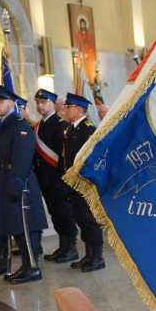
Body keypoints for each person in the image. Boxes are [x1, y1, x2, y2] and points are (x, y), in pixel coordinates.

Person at [0, 84, 48, 284]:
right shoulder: (3, 125)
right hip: (6, 178)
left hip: (20, 182)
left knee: (25, 225)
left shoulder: (20, 126)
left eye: (0, 101)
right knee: (16, 226)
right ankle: (25, 265)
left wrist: (15, 184)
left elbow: (22, 158)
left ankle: (32, 266)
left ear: (12, 103)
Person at [32, 88, 78, 263]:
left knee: (65, 213)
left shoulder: (61, 125)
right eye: (37, 103)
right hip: (44, 178)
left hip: (59, 179)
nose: (40, 106)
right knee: (55, 214)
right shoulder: (38, 126)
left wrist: (64, 179)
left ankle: (71, 247)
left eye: (44, 102)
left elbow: (65, 156)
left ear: (53, 104)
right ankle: (62, 246)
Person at [61, 93, 105, 272]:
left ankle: (97, 257)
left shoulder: (88, 130)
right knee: (81, 220)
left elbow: (91, 160)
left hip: (84, 184)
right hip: (73, 184)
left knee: (90, 220)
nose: (65, 110)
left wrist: (84, 183)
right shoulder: (71, 129)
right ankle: (88, 254)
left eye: (68, 107)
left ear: (79, 110)